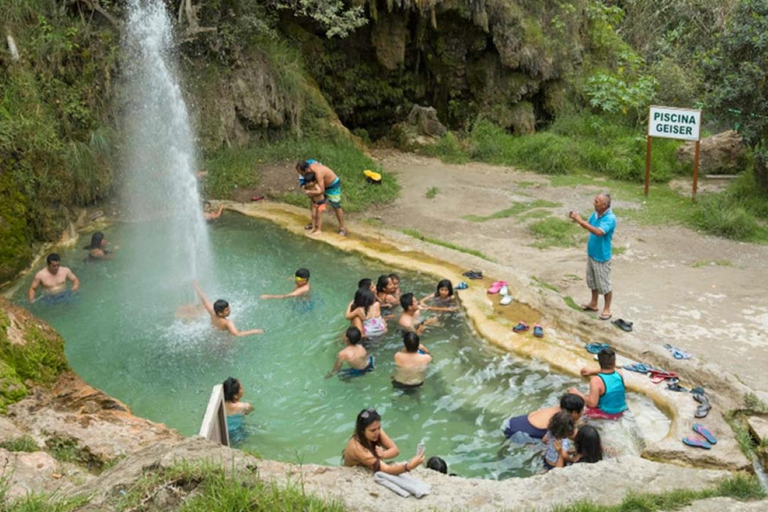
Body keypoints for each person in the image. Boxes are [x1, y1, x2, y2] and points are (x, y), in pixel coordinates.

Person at [570, 193, 617, 320]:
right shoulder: (596, 214)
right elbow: (589, 225)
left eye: (596, 201)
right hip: (592, 253)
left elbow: (598, 232)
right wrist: (577, 219)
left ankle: (607, 308)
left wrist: (579, 220)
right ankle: (594, 303)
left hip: (602, 256)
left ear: (604, 205)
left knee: (604, 284)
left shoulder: (610, 218)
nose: (593, 203)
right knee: (592, 281)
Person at [342, 408, 425, 474]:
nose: (377, 432)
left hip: (370, 461)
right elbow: (387, 469)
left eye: (379, 428)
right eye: (373, 430)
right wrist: (410, 466)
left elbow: (395, 450)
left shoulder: (375, 430)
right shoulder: (358, 448)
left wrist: (383, 454)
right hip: (353, 470)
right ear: (362, 431)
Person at [568, 348, 627, 420]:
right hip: (622, 411)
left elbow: (592, 404)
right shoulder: (619, 374)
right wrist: (591, 372)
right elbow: (609, 371)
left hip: (606, 414)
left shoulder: (596, 380)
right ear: (615, 362)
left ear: (599, 362)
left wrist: (577, 393)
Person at [503, 393, 585, 441]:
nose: (583, 413)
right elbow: (578, 437)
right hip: (518, 434)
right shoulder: (563, 421)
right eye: (582, 411)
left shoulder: (557, 408)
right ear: (574, 412)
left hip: (511, 423)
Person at [193, 281, 263, 337]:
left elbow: (204, 300)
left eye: (229, 308)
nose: (229, 311)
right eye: (227, 310)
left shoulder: (213, 313)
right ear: (220, 313)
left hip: (213, 335)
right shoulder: (227, 322)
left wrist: (196, 287)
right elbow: (237, 334)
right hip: (223, 339)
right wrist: (254, 331)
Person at [296, 160, 347, 236]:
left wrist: (310, 192)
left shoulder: (318, 173)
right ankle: (315, 225)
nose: (301, 175)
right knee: (314, 202)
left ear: (306, 170)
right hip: (321, 185)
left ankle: (342, 228)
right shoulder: (310, 169)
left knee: (336, 206)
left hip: (332, 185)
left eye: (301, 173)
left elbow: (321, 190)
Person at [223, 377, 254, 444]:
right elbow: (251, 409)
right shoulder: (243, 406)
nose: (243, 390)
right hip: (237, 433)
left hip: (224, 433)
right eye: (241, 388)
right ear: (235, 395)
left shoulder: (221, 406)